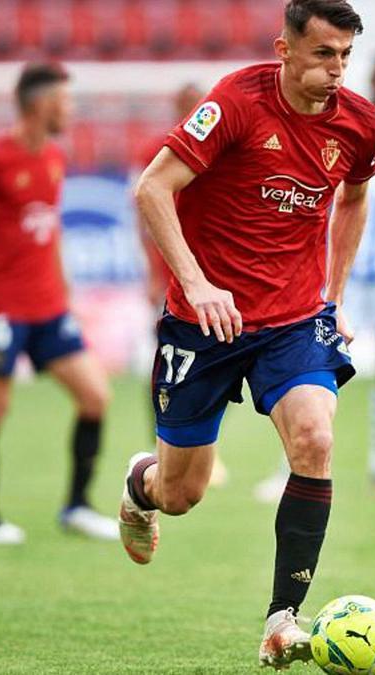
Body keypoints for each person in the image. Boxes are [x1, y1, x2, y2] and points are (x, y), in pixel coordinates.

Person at [125, 0, 375, 668]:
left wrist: (334, 297)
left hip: (293, 320)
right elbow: (154, 188)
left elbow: (354, 198)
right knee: (182, 494)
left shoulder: (359, 125)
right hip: (203, 321)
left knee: (315, 437)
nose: (336, 71)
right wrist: (197, 281)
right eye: (324, 54)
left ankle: (281, 620)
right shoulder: (236, 102)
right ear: (285, 49)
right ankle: (140, 487)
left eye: (345, 57)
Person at [0, 62, 117, 546]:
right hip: (1, 309)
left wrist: (66, 293)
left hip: (49, 308)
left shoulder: (55, 158)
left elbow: (51, 230)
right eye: (66, 101)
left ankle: (77, 506)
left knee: (95, 396)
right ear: (42, 105)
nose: (71, 110)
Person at [254, 51, 375, 504]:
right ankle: (289, 466)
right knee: (312, 364)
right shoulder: (350, 123)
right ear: (373, 78)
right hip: (341, 268)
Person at [132, 83, 228, 488]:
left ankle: (206, 451)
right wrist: (154, 274)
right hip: (172, 277)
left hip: (210, 277)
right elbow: (144, 212)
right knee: (162, 364)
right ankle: (160, 445)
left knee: (218, 361)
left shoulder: (222, 150)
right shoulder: (160, 151)